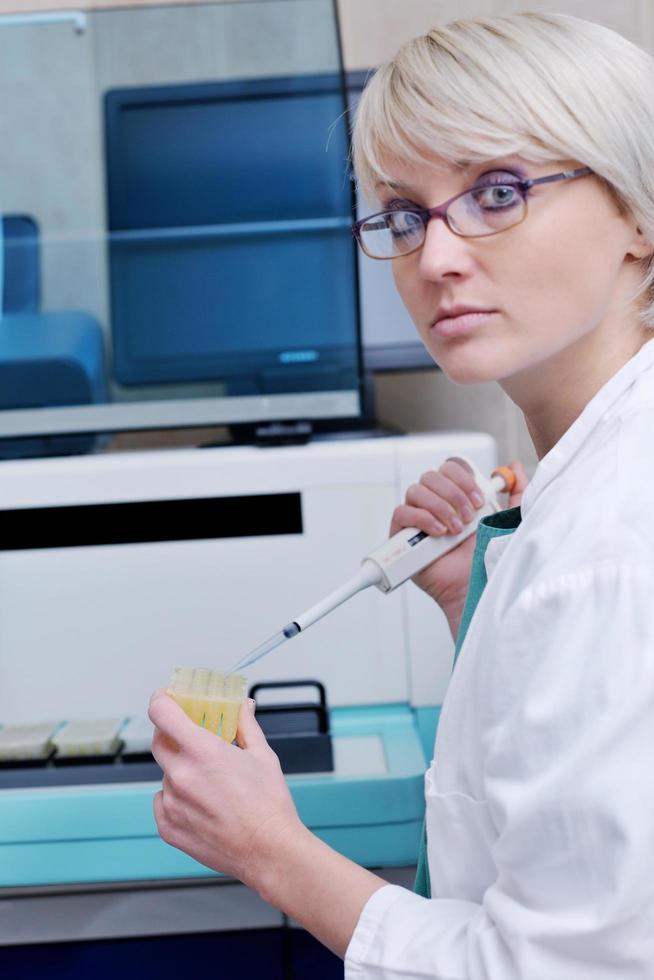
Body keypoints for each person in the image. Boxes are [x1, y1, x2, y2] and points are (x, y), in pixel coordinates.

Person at [149, 11, 654, 977]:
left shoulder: (608, 552)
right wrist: (478, 600)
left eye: (498, 192)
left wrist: (270, 850)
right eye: (405, 215)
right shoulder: (592, 490)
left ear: (638, 210)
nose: (436, 258)